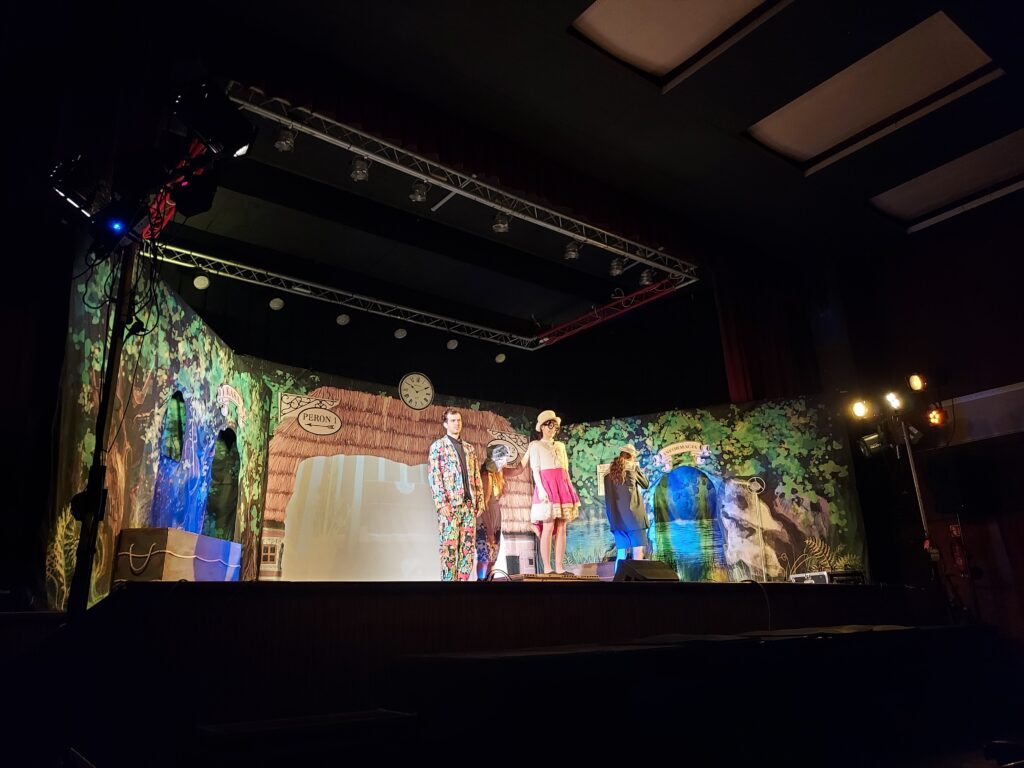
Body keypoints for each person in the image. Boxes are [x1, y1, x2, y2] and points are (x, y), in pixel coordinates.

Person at [427, 408, 485, 581]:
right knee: (449, 549)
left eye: (459, 420)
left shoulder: (469, 448)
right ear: (445, 424)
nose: (457, 423)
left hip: (468, 506)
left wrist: (480, 501)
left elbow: (476, 476)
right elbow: (434, 475)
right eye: (452, 420)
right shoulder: (438, 446)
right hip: (450, 506)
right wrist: (441, 503)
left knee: (468, 550)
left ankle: (463, 584)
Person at [521, 410, 580, 574]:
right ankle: (547, 568)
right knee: (548, 525)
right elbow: (535, 470)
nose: (552, 429)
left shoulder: (560, 446)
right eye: (549, 425)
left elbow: (565, 469)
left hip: (562, 486)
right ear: (541, 427)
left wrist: (570, 487)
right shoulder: (536, 445)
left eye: (554, 426)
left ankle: (560, 567)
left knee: (562, 526)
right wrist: (541, 489)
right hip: (547, 486)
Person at [603, 444, 650, 566]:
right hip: (635, 519)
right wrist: (638, 469)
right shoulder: (633, 468)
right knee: (638, 552)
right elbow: (645, 484)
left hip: (617, 520)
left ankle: (618, 577)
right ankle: (636, 578)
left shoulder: (608, 472)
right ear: (632, 456)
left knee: (621, 555)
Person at [476, 443, 513, 580]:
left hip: (496, 517)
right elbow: (483, 505)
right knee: (484, 557)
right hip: (485, 519)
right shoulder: (486, 476)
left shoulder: (498, 474)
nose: (506, 462)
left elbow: (518, 470)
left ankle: (488, 579)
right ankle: (481, 580)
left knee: (493, 557)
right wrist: (490, 531)